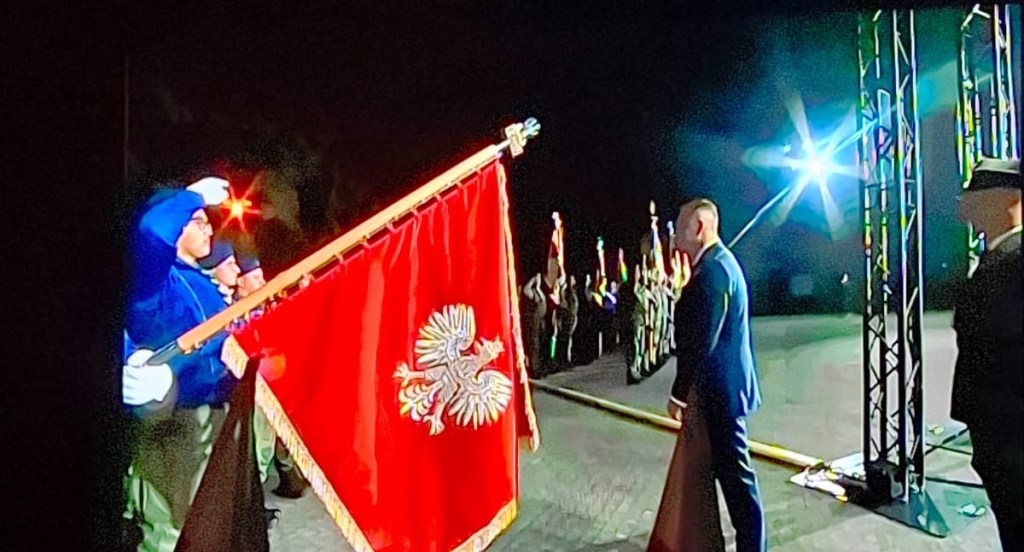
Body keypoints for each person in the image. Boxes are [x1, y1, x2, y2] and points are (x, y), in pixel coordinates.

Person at [122, 177, 240, 552]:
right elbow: (150, 230)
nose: (209, 229)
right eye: (198, 221)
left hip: (213, 415)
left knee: (208, 530)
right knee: (172, 536)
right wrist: (189, 198)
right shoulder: (158, 282)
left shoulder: (201, 283)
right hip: (176, 423)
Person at [649, 198, 766, 552]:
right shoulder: (718, 264)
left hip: (721, 396)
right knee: (729, 479)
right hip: (723, 393)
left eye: (682, 225)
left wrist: (678, 394)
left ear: (700, 227)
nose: (675, 234)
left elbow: (703, 338)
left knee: (738, 485)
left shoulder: (713, 272)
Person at [951, 158, 1022, 551]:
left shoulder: (1014, 261)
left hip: (1009, 435)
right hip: (997, 434)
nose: (968, 208)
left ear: (1008, 201)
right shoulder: (998, 257)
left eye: (978, 199)